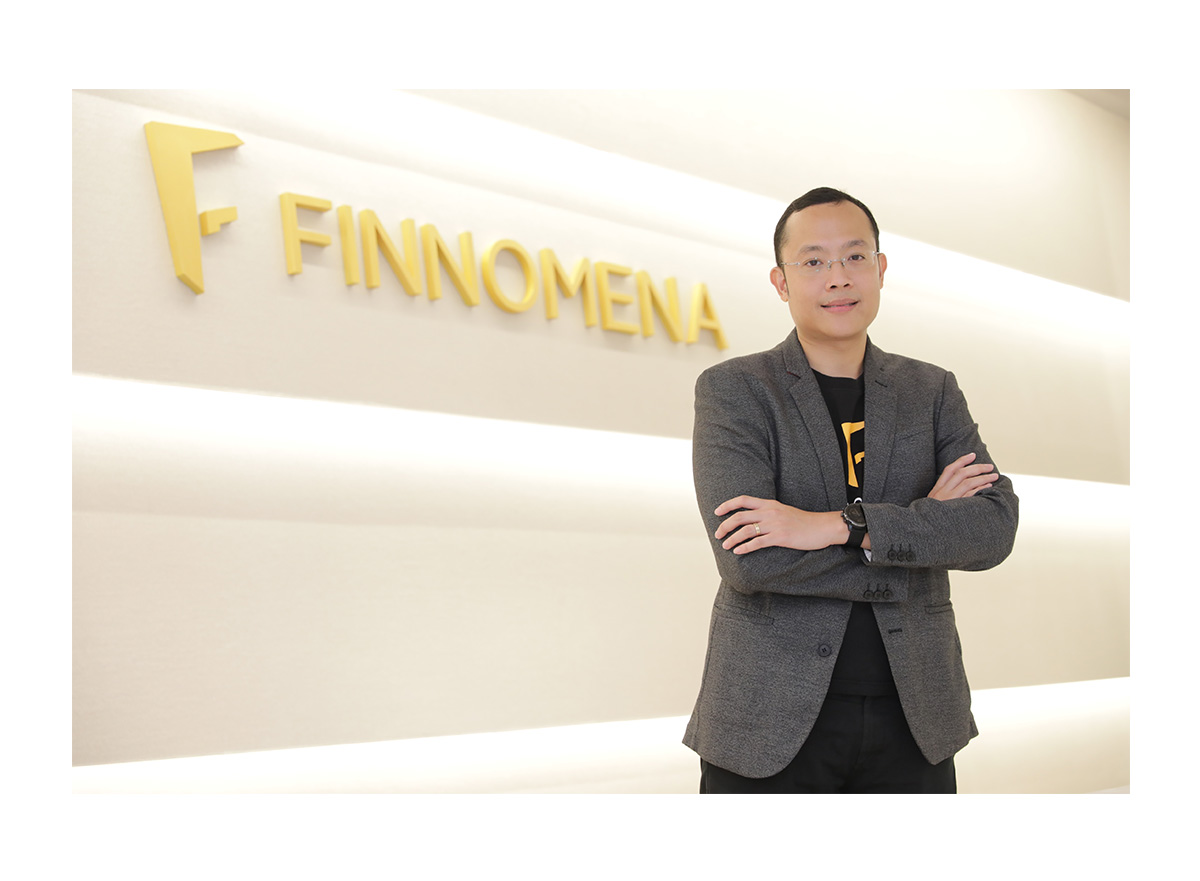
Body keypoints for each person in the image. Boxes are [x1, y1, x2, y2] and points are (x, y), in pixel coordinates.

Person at [683, 187, 1018, 793]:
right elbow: (749, 560)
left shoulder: (931, 391)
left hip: (917, 714)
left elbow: (993, 528)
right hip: (768, 717)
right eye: (813, 261)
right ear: (781, 282)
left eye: (855, 256)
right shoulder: (737, 390)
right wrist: (918, 534)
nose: (837, 276)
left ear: (881, 269)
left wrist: (836, 526)